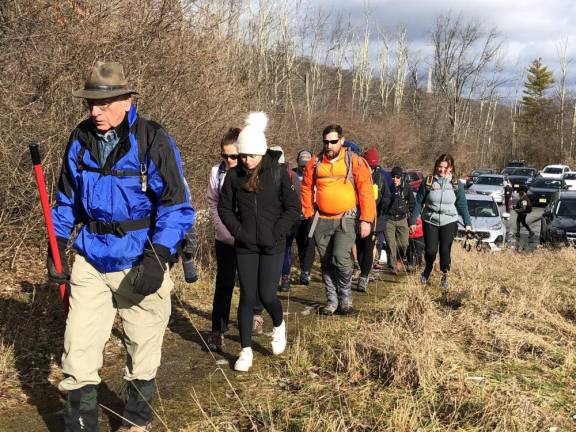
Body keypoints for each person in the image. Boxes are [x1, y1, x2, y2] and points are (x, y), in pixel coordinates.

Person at [47, 62, 194, 432]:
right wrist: (56, 243)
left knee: (143, 351)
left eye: (104, 103)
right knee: (77, 354)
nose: (95, 111)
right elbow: (65, 200)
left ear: (127, 101)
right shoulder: (79, 140)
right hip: (91, 258)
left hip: (139, 258)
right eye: (90, 104)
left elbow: (176, 206)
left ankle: (135, 423)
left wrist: (159, 256)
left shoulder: (153, 140)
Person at [218, 112, 300, 372]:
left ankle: (278, 325)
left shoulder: (276, 174)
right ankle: (245, 350)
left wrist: (278, 232)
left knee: (267, 295)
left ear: (262, 153)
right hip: (245, 245)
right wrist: (238, 232)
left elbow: (292, 207)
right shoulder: (233, 177)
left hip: (273, 245)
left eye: (251, 155)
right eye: (243, 155)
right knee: (246, 297)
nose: (246, 160)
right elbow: (224, 209)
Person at [301, 125, 376, 315]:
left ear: (341, 141)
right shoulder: (315, 163)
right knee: (326, 262)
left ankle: (345, 296)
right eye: (326, 142)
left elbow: (366, 191)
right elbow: (306, 187)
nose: (329, 145)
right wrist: (309, 213)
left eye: (333, 141)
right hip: (322, 219)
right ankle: (332, 300)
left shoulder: (355, 162)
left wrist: (366, 219)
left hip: (346, 218)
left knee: (340, 257)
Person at [410, 154, 471, 290]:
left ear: (451, 168)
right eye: (440, 166)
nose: (442, 170)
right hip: (430, 219)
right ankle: (428, 267)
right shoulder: (429, 181)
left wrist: (468, 224)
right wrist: (413, 220)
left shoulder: (456, 184)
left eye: (445, 167)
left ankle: (445, 275)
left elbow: (462, 205)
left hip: (449, 220)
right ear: (436, 166)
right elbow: (419, 202)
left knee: (445, 251)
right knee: (431, 250)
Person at [206, 127, 242, 352]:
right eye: (224, 155)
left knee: (250, 284)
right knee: (224, 283)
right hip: (224, 237)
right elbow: (212, 204)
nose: (228, 160)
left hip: (248, 237)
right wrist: (225, 233)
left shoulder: (251, 171)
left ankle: (251, 319)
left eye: (233, 156)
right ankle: (217, 330)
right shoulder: (216, 172)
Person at [354, 147, 390, 292]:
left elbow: (387, 197)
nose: (371, 169)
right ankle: (360, 270)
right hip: (356, 216)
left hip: (373, 218)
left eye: (374, 167)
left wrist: (382, 207)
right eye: (369, 166)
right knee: (359, 246)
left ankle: (363, 277)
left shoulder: (380, 178)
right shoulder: (356, 173)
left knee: (369, 247)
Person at [269, 145, 301, 292]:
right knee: (284, 250)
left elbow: (295, 203)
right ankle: (283, 279)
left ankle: (281, 278)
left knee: (284, 249)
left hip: (285, 220)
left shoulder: (289, 176)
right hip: (285, 220)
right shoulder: (291, 175)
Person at [382, 166, 415, 275]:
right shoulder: (386, 187)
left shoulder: (406, 188)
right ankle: (393, 266)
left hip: (402, 219)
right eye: (393, 177)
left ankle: (400, 259)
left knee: (404, 244)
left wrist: (411, 221)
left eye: (397, 177)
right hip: (389, 219)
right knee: (391, 244)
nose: (395, 179)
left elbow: (412, 204)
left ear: (401, 178)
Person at [293, 150, 316, 285]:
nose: (304, 168)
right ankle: (303, 267)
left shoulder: (316, 175)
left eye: (306, 165)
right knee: (301, 243)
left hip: (311, 215)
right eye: (302, 165)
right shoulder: (292, 173)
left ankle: (306, 271)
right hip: (295, 215)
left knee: (310, 242)